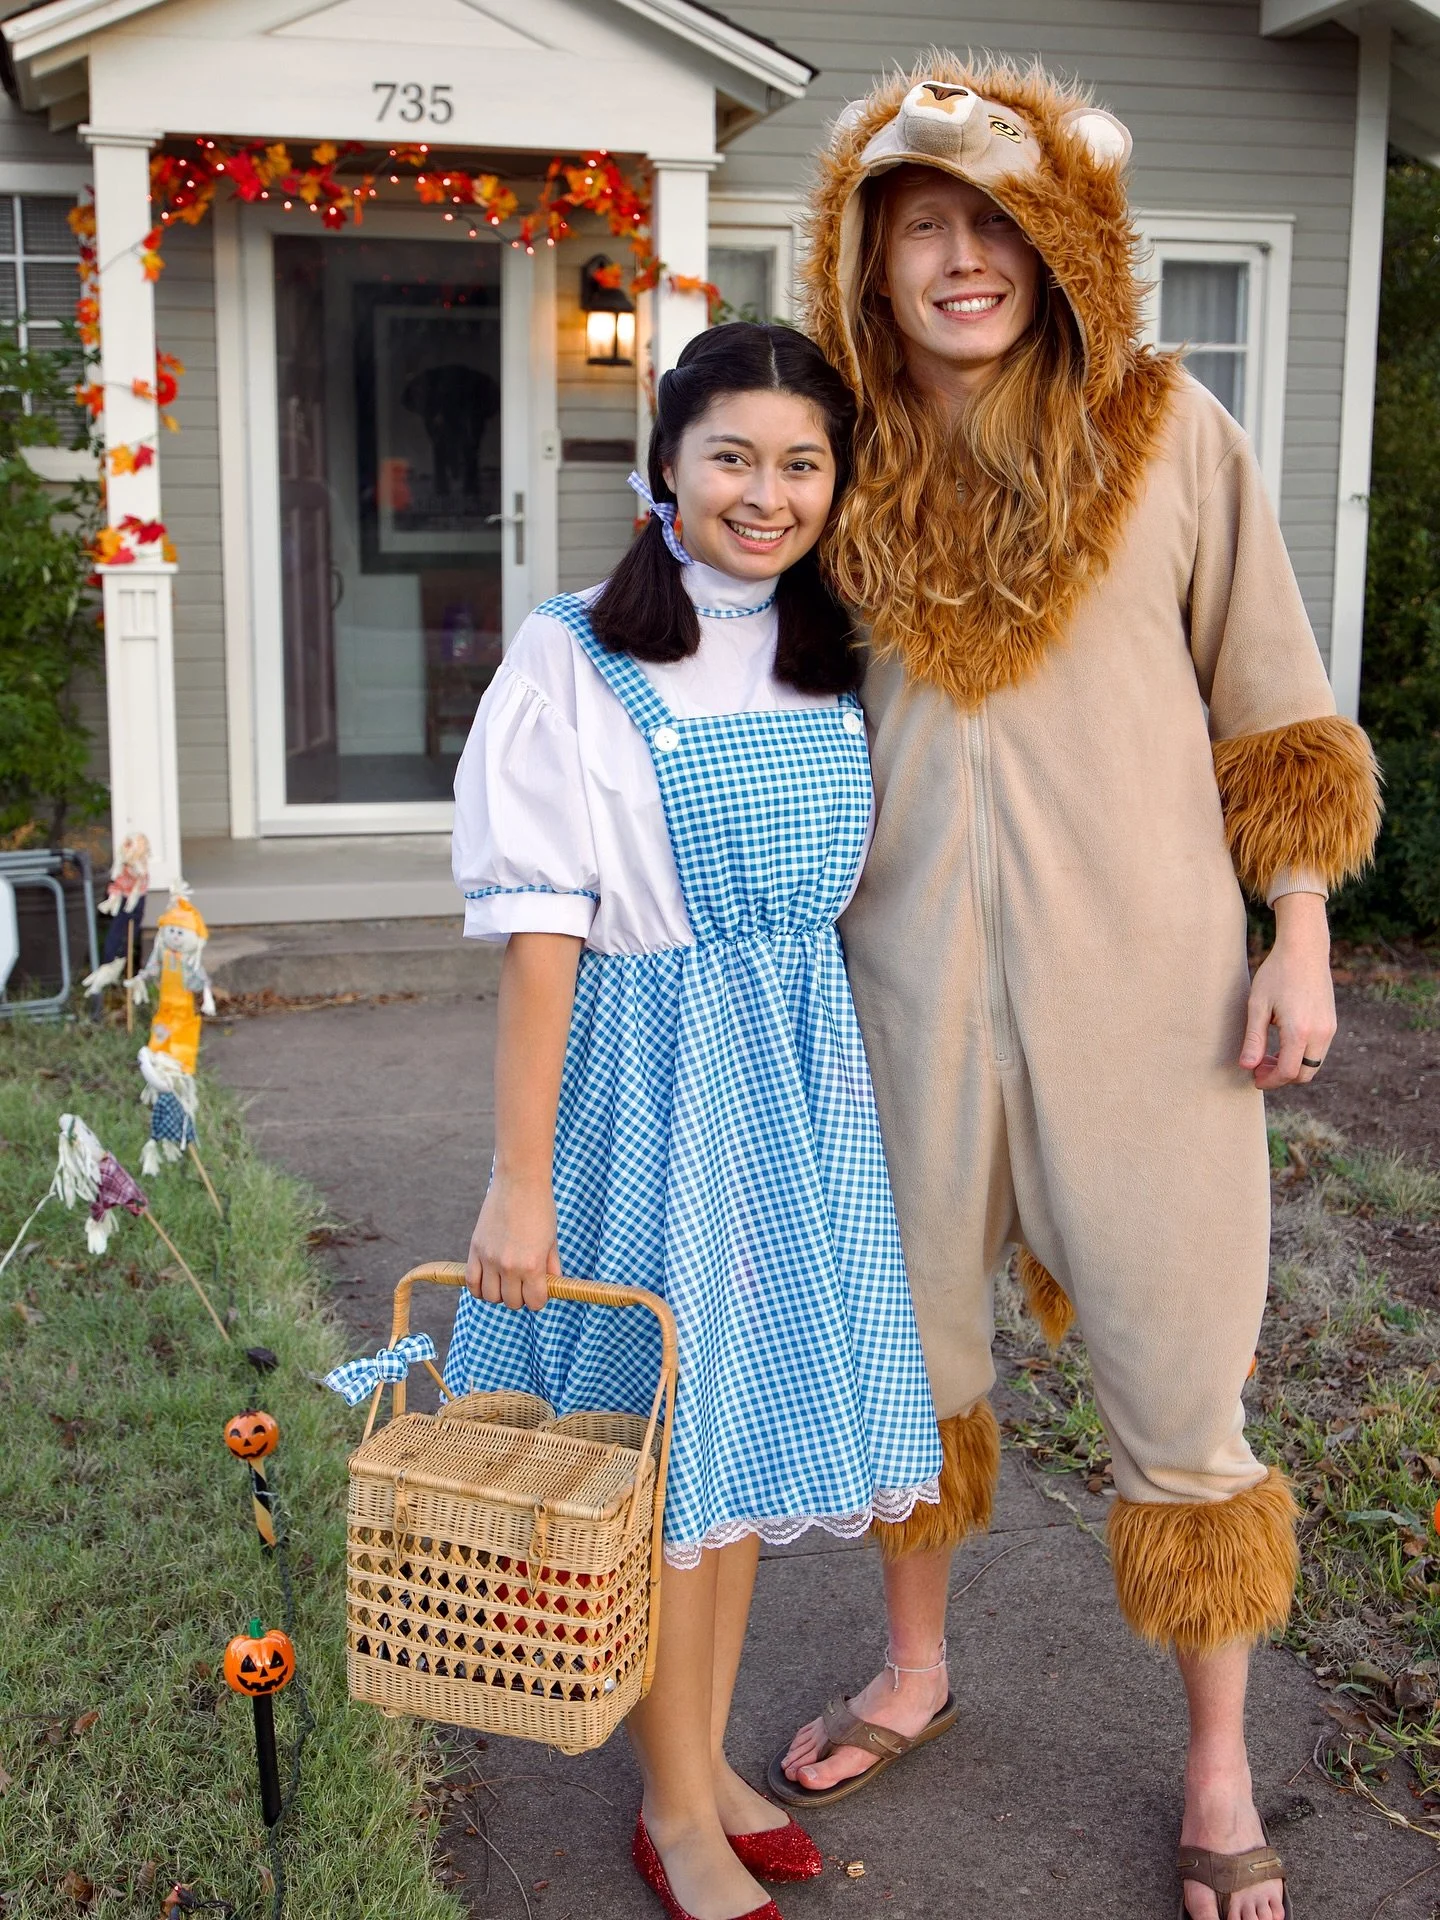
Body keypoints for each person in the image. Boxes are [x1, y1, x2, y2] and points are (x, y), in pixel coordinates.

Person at [772, 61, 1381, 1920]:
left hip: (1155, 997)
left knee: (1186, 1376)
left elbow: (1269, 690)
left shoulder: (1170, 429)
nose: (956, 262)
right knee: (911, 1359)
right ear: (865, 268)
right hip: (895, 993)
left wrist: (1298, 925)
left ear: (1059, 241)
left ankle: (1214, 1767)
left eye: (989, 224)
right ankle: (915, 1663)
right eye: (916, 233)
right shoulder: (828, 456)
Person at [445, 321, 945, 1920]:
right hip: (655, 1076)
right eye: (733, 454)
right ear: (665, 463)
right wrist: (519, 1186)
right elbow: (542, 946)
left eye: (803, 462)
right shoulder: (576, 650)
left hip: (795, 1072)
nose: (768, 491)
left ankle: (709, 1759)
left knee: (727, 1449)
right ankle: (673, 1809)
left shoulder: (825, 642)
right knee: (669, 1458)